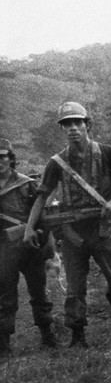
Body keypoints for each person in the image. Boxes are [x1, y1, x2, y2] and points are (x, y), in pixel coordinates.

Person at [23, 102, 111, 347]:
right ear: (62, 129)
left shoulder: (109, 153)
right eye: (67, 124)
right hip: (73, 231)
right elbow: (42, 196)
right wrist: (29, 228)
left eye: (77, 122)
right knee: (75, 287)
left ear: (88, 124)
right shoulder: (56, 162)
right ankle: (77, 336)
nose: (73, 128)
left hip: (105, 227)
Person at [0, 139, 57, 356]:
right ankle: (4, 344)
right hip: (4, 250)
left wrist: (38, 234)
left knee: (39, 293)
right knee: (5, 297)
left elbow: (42, 214)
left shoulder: (26, 184)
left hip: (30, 248)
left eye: (3, 156)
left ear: (11, 159)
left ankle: (48, 336)